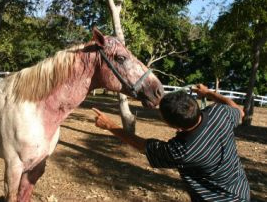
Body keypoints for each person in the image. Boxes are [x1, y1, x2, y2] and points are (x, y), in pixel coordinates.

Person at [92, 84, 250, 202]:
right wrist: (209, 93)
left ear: (174, 126)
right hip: (241, 192)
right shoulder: (220, 114)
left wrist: (109, 125)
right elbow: (239, 111)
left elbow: (143, 146)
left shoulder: (181, 150)